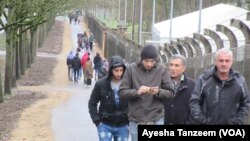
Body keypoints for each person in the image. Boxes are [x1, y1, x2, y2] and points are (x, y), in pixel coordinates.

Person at [119, 44, 174, 141]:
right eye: (146, 61)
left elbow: (170, 92)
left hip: (156, 118)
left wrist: (158, 91)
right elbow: (122, 92)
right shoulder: (131, 69)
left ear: (156, 60)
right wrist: (137, 92)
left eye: (152, 61)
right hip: (136, 119)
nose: (149, 64)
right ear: (141, 59)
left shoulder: (162, 69)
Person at [189, 48, 250, 125]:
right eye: (221, 60)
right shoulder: (204, 79)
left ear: (232, 62)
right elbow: (194, 101)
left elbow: (246, 103)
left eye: (227, 61)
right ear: (216, 62)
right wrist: (203, 120)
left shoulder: (240, 81)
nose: (224, 64)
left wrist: (238, 120)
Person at [88, 55, 129, 141]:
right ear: (111, 70)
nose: (119, 73)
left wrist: (129, 122)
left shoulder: (128, 84)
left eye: (121, 70)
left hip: (123, 126)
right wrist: (97, 122)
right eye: (116, 70)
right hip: (105, 125)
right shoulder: (101, 84)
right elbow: (92, 103)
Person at [164, 54, 195, 125]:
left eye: (176, 65)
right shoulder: (162, 83)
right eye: (171, 65)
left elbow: (195, 108)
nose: (172, 68)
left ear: (183, 68)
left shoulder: (192, 85)